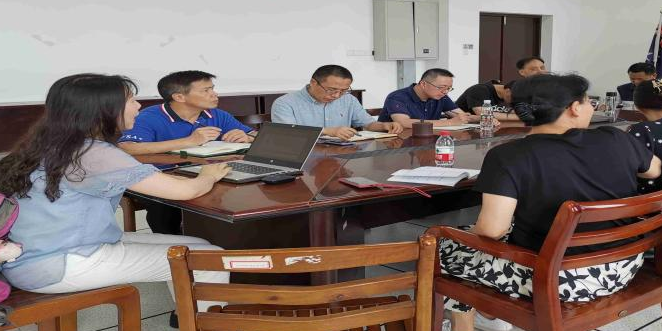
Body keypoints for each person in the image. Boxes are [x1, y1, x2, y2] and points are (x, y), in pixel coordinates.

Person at [439, 73, 662, 331]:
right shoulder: (616, 138)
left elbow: (491, 231)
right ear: (574, 107)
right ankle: (490, 314)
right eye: (589, 102)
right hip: (625, 265)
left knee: (446, 243)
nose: (591, 108)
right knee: (479, 239)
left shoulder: (509, 155)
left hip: (558, 278)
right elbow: (654, 170)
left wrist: (459, 233)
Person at [0, 74, 231, 328]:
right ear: (103, 110)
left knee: (198, 245)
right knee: (209, 259)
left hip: (35, 253)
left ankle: (187, 317)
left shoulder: (53, 143)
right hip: (60, 262)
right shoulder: (94, 153)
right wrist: (208, 174)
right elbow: (184, 191)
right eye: (130, 100)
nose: (138, 106)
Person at [118, 70, 254, 235]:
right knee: (165, 203)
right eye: (206, 90)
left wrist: (247, 136)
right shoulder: (149, 117)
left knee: (236, 192)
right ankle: (172, 243)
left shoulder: (216, 114)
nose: (214, 94)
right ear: (179, 97)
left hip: (205, 171)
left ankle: (220, 238)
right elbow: (127, 148)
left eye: (212, 88)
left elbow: (255, 134)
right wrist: (189, 141)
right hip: (156, 176)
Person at [271, 65, 402, 140]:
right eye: (331, 90)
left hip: (340, 156)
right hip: (304, 158)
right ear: (313, 82)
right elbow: (287, 135)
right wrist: (328, 131)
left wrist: (385, 125)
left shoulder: (348, 100)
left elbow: (368, 124)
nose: (337, 95)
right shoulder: (285, 103)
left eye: (343, 90)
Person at [379, 68, 477, 129]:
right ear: (423, 84)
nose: (445, 92)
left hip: (428, 140)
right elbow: (404, 122)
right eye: (441, 87)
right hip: (395, 144)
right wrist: (449, 122)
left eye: (448, 88)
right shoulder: (397, 97)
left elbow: (461, 116)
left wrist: (482, 118)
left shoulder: (441, 96)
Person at [454, 80, 520, 121]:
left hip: (479, 126)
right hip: (458, 126)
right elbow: (484, 115)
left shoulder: (504, 96)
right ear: (508, 91)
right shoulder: (479, 90)